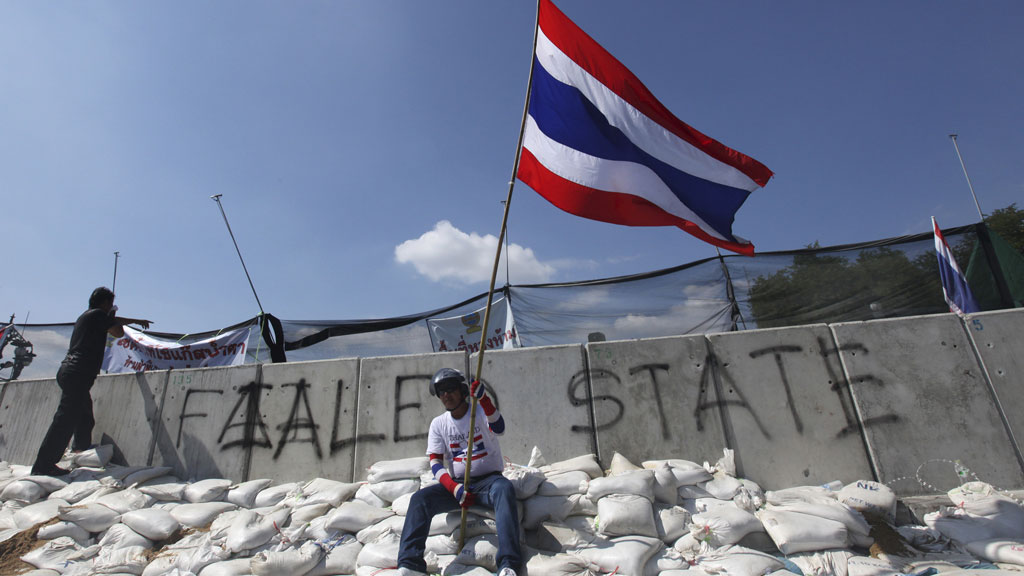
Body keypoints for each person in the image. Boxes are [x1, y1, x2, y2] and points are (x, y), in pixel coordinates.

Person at [398, 367, 521, 576]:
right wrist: (453, 488)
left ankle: (509, 564)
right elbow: (435, 463)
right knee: (420, 500)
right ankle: (410, 565)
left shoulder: (479, 412)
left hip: (488, 483)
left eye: (450, 389)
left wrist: (484, 400)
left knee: (505, 489)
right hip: (456, 485)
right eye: (441, 392)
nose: (446, 395)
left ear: (463, 390)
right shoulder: (438, 424)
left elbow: (499, 427)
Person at [31, 287, 152, 477]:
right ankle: (43, 465)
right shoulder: (98, 315)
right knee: (65, 420)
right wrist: (114, 315)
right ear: (105, 303)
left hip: (71, 371)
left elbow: (115, 323)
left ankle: (80, 449)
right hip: (77, 372)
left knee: (84, 415)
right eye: (110, 304)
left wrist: (134, 320)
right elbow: (118, 331)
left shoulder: (88, 316)